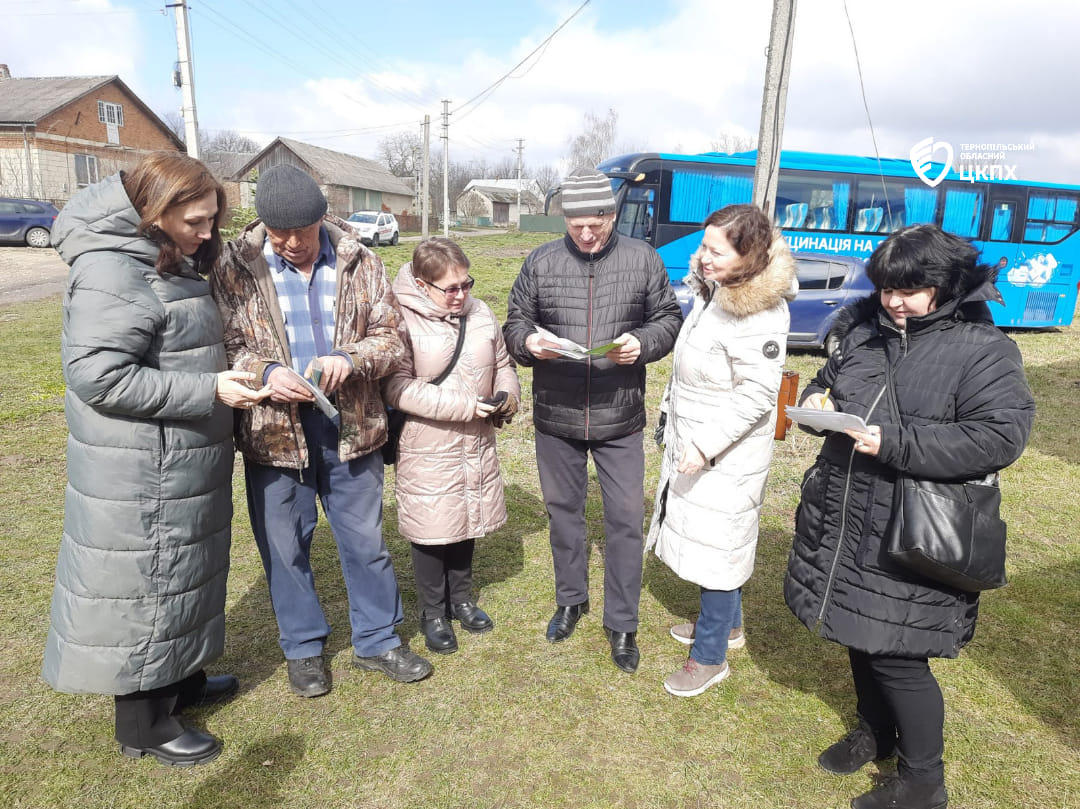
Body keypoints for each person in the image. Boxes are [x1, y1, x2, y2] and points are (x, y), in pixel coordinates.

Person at [784, 224, 1035, 809]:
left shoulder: (983, 349)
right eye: (887, 288)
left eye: (909, 289)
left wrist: (894, 443)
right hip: (847, 514)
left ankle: (924, 782)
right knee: (855, 631)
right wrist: (820, 402)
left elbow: (998, 437)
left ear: (945, 284)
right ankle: (875, 733)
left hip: (913, 527)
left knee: (897, 655)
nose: (894, 300)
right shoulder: (866, 332)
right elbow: (832, 383)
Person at [42, 151, 271, 766]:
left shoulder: (160, 253)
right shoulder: (112, 271)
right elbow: (100, 377)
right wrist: (208, 390)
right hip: (145, 468)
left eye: (211, 221)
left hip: (179, 457)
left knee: (182, 575)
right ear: (154, 210)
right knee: (148, 583)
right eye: (195, 222)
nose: (206, 235)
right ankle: (144, 726)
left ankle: (181, 681)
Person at [210, 164, 432, 697]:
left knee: (365, 541)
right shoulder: (234, 268)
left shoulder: (363, 262)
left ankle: (378, 639)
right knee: (285, 546)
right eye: (278, 233)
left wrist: (350, 359)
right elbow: (225, 342)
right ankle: (304, 648)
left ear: (321, 218)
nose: (290, 244)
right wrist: (264, 371)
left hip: (352, 426)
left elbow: (392, 339)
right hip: (273, 431)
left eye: (302, 233)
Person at [503, 166, 682, 673]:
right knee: (564, 515)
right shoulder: (540, 261)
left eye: (596, 222)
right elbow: (515, 321)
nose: (585, 233)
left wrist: (642, 344)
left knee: (625, 520)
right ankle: (570, 599)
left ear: (612, 214)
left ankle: (622, 623)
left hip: (619, 416)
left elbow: (668, 320)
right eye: (576, 223)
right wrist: (528, 343)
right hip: (555, 416)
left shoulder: (642, 259)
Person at [645, 204, 796, 697]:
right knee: (712, 540)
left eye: (715, 250)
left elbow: (757, 395)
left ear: (747, 256)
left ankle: (709, 658)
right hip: (697, 440)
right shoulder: (716, 294)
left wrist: (706, 447)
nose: (701, 257)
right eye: (702, 246)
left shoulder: (761, 312)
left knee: (719, 548)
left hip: (724, 452)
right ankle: (727, 627)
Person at [383, 237, 520, 655]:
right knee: (432, 527)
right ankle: (433, 612)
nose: (461, 294)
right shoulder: (399, 318)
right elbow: (396, 387)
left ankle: (461, 599)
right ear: (423, 285)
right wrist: (465, 405)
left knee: (466, 519)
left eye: (466, 283)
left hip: (476, 440)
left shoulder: (480, 312)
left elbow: (502, 364)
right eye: (450, 288)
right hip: (428, 444)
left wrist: (507, 397)